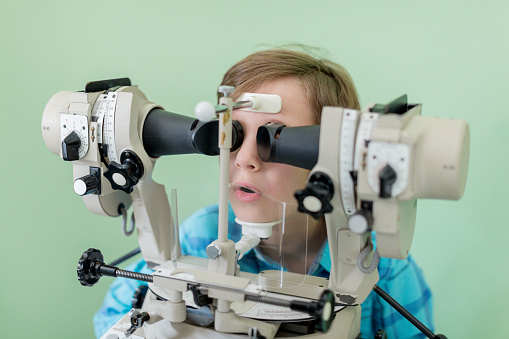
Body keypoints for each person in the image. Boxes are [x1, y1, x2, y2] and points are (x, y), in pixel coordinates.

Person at [93, 48, 434, 339]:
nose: (244, 160)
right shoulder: (199, 236)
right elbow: (111, 319)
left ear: (330, 155)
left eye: (274, 141)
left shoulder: (381, 269)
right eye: (234, 137)